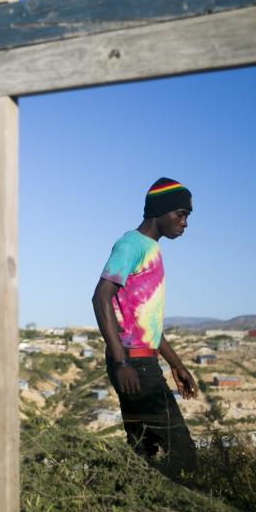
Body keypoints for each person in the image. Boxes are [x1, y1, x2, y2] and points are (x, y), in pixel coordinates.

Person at [91, 177, 199, 477]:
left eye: (187, 216)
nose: (185, 222)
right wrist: (121, 360)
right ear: (159, 211)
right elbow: (100, 297)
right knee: (184, 454)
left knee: (143, 452)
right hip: (134, 364)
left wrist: (176, 365)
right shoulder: (131, 245)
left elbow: (147, 325)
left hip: (140, 359)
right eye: (180, 214)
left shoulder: (151, 249)